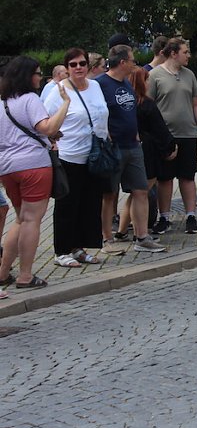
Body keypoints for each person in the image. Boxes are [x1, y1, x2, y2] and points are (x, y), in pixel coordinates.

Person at [0, 56, 70, 289]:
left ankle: (2, 272)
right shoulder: (30, 99)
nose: (40, 77)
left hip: (8, 168)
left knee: (20, 219)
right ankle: (25, 275)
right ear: (27, 76)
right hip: (34, 165)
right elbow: (48, 127)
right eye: (38, 73)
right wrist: (65, 104)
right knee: (32, 221)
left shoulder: (3, 102)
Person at [96, 45, 166, 254]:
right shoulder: (100, 84)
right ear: (123, 62)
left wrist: (135, 133)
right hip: (113, 147)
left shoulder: (126, 83)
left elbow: (130, 110)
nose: (135, 64)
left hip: (132, 145)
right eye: (133, 60)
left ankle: (141, 236)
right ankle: (106, 239)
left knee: (140, 190)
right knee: (110, 194)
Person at [43, 48, 109, 266]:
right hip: (69, 155)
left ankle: (78, 247)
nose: (78, 68)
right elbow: (45, 121)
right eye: (73, 65)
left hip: (94, 155)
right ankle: (61, 251)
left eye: (82, 63)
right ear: (67, 68)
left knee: (89, 204)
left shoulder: (96, 86)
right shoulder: (59, 91)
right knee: (67, 206)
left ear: (88, 66)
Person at [149, 38, 197, 235]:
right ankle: (164, 217)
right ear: (174, 53)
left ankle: (191, 215)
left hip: (188, 133)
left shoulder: (189, 75)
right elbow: (148, 105)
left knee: (188, 175)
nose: (188, 55)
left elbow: (196, 103)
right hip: (166, 136)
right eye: (185, 52)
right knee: (165, 178)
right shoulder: (155, 75)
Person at [115, 67, 177, 240]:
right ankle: (138, 232)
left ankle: (121, 230)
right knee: (141, 193)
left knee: (134, 194)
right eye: (147, 79)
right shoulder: (147, 104)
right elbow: (160, 129)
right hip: (148, 152)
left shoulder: (127, 104)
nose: (149, 82)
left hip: (131, 147)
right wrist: (170, 147)